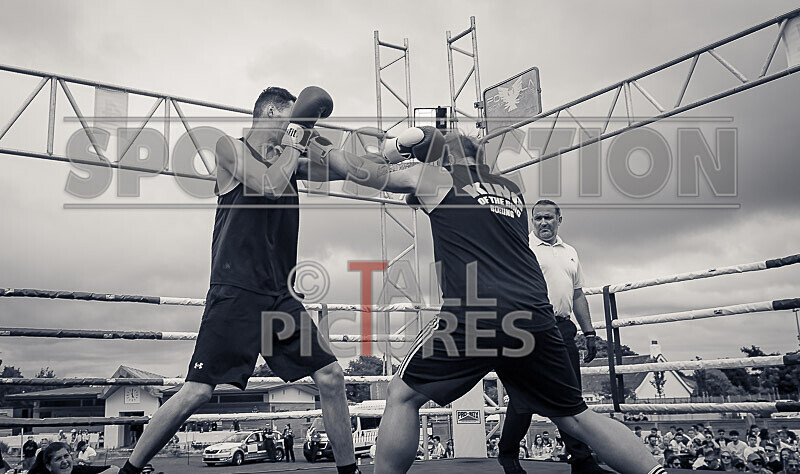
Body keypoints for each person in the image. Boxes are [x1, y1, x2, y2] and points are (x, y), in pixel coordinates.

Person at [325, 129, 668, 474]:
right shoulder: (512, 192)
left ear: (443, 157)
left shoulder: (434, 177)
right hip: (534, 315)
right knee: (575, 415)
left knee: (403, 395)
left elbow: (354, 170)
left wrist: (382, 151)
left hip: (475, 313)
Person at [117, 86, 358, 474]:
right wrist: (297, 142)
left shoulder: (290, 159)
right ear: (274, 113)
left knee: (330, 376)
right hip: (236, 291)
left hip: (279, 295)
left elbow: (346, 171)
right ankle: (127, 470)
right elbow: (266, 184)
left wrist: (389, 152)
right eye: (293, 116)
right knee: (197, 391)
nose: (296, 124)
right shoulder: (229, 147)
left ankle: (351, 472)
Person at [498, 198, 607, 474]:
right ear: (531, 221)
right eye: (538, 218)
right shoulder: (521, 246)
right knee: (524, 395)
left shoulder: (570, 251)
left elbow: (578, 293)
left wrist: (590, 333)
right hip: (528, 328)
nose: (543, 223)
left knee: (570, 394)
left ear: (560, 220)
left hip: (563, 327)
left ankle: (581, 460)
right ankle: (508, 455)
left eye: (549, 218)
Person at [28, 442, 117, 474]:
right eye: (58, 459)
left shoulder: (77, 470)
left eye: (66, 456)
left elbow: (114, 469)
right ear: (49, 466)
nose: (65, 461)